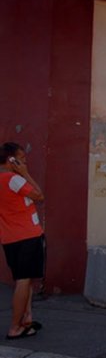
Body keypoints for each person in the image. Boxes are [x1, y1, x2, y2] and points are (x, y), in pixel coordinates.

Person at [0, 142, 45, 339]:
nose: (25, 162)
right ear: (12, 160)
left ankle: (26, 319)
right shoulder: (13, 179)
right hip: (27, 236)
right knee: (24, 280)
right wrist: (25, 173)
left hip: (10, 237)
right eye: (22, 158)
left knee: (24, 280)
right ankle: (15, 327)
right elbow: (39, 195)